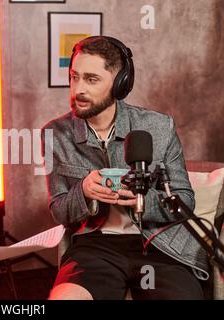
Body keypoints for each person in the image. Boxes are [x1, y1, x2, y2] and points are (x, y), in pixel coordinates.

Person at [41, 36, 208, 300]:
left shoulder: (159, 126)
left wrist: (142, 200)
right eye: (74, 77)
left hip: (158, 246)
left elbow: (184, 199)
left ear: (120, 84)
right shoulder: (55, 134)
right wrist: (83, 191)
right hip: (95, 248)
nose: (78, 89)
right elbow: (59, 211)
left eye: (91, 79)